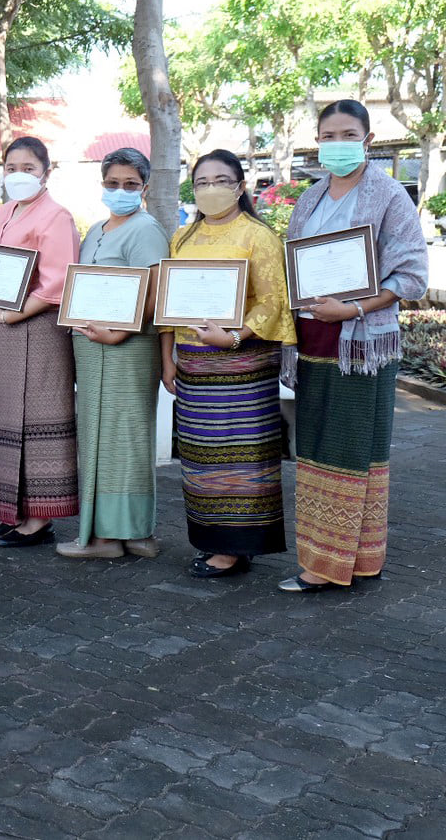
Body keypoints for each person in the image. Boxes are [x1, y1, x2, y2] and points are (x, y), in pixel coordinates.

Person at [278, 100, 428, 593]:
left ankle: (327, 566)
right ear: (317, 140)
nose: (336, 143)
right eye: (328, 134)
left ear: (366, 138)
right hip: (313, 339)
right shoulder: (310, 198)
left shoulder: (388, 196)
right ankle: (353, 560)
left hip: (360, 342)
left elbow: (409, 275)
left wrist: (355, 309)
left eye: (348, 133)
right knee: (317, 448)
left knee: (352, 449)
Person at [159, 149, 295, 579]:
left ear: (240, 186)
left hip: (243, 367)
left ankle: (237, 548)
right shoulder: (182, 238)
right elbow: (167, 304)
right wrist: (168, 359)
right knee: (201, 456)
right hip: (195, 367)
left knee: (243, 456)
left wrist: (234, 336)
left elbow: (275, 302)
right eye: (202, 182)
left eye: (221, 180)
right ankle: (213, 539)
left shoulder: (259, 236)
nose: (211, 189)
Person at [57, 147, 170, 561]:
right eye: (112, 183)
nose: (120, 190)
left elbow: (156, 292)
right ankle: (129, 534)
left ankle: (113, 536)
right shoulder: (97, 230)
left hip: (127, 348)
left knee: (125, 436)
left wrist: (119, 332)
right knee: (101, 436)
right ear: (102, 183)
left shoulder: (145, 229)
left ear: (145, 187)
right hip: (92, 348)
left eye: (130, 184)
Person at [0, 137, 82, 549]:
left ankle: (39, 518)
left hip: (37, 328)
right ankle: (11, 510)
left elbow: (57, 282)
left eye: (29, 168)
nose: (19, 175)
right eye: (11, 167)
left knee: (37, 421)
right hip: (2, 330)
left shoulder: (56, 216)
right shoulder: (3, 211)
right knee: (3, 416)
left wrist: (8, 314)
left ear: (46, 172)